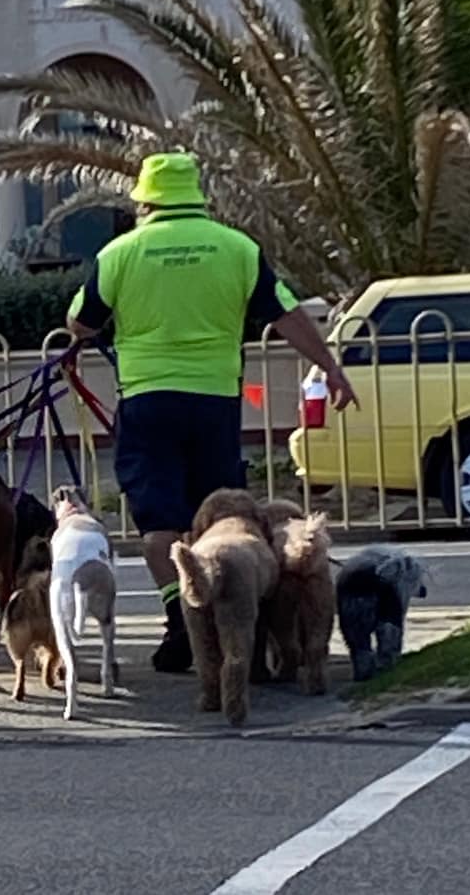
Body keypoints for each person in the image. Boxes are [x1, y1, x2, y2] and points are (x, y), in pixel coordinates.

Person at [65, 152, 357, 672]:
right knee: (220, 518)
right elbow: (287, 313)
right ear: (197, 198)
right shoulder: (237, 248)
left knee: (159, 522)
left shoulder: (120, 253)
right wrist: (330, 368)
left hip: (149, 399)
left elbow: (80, 324)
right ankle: (238, 621)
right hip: (216, 400)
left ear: (146, 203)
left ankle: (182, 622)